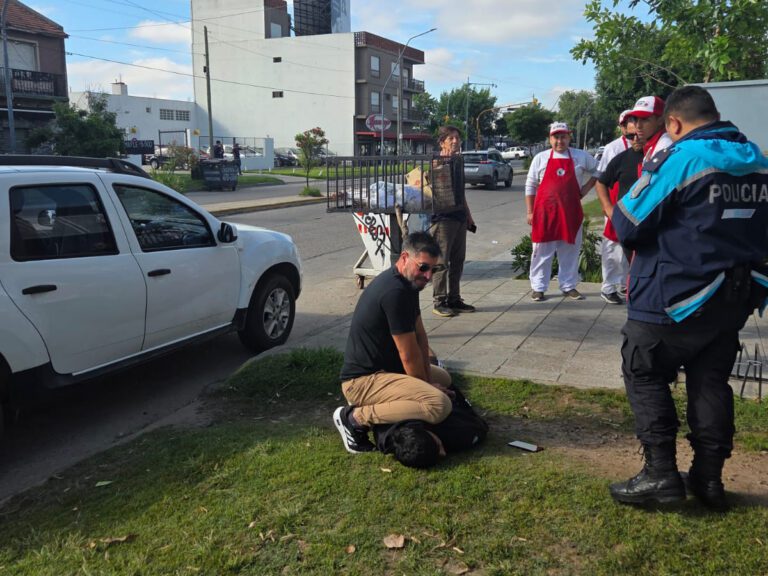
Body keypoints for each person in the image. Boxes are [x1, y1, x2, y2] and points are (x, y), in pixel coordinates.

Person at [609, 85, 768, 510]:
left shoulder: (683, 159)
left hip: (672, 296)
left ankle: (660, 475)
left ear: (674, 123)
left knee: (643, 370)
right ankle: (709, 480)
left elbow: (627, 223)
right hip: (732, 299)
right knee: (711, 382)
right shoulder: (757, 159)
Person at [333, 231, 454, 454]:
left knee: (443, 378)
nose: (428, 276)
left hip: (386, 370)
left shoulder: (409, 283)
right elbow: (408, 355)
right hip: (362, 382)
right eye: (423, 267)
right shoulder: (394, 292)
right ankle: (354, 419)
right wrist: (426, 388)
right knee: (439, 405)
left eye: (433, 269)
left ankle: (397, 404)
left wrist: (428, 381)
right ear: (405, 258)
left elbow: (420, 337)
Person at [525, 122, 598, 302]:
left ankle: (568, 286)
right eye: (556, 137)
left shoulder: (581, 156)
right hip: (545, 213)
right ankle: (538, 287)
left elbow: (599, 170)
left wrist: (585, 189)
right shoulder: (540, 158)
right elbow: (530, 185)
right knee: (542, 251)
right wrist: (529, 212)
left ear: (569, 137)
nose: (560, 141)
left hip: (570, 212)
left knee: (570, 251)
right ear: (550, 138)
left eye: (563, 137)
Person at [372, 387, 488, 468]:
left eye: (438, 446)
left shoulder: (431, 415)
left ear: (428, 430)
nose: (443, 453)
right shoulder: (386, 438)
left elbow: (479, 427)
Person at [594, 116, 643, 304]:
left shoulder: (654, 151)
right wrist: (608, 208)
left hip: (639, 212)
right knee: (612, 249)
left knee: (631, 252)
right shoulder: (613, 149)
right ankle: (608, 287)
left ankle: (625, 284)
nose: (633, 137)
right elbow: (602, 178)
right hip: (617, 208)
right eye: (627, 129)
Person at [430, 125, 476, 318]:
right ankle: (439, 301)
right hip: (443, 219)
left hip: (458, 218)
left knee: (458, 260)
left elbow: (460, 192)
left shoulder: (458, 161)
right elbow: (437, 183)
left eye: (457, 138)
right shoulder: (437, 161)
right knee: (442, 261)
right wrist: (444, 161)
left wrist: (468, 216)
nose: (456, 141)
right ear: (442, 142)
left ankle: (454, 298)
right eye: (451, 138)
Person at [627, 95, 673, 166]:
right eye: (635, 119)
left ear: (660, 120)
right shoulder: (654, 144)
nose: (638, 125)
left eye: (644, 119)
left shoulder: (664, 146)